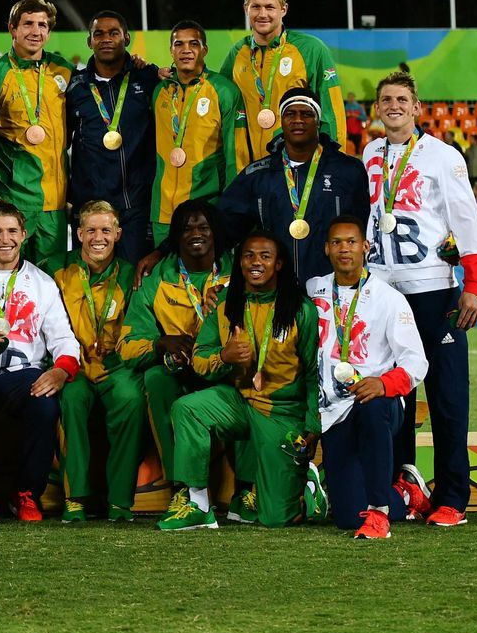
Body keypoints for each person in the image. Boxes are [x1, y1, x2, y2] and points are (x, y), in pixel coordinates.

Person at [364, 71, 477, 527]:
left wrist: (472, 286)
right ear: (377, 109)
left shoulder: (443, 156)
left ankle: (453, 496)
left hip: (435, 291)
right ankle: (407, 486)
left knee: (447, 397)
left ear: (417, 108)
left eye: (402, 99)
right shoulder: (370, 153)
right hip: (383, 291)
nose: (393, 105)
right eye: (385, 100)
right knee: (394, 394)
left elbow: (468, 223)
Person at [157, 229, 320, 531]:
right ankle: (198, 504)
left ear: (279, 264)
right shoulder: (227, 306)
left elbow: (313, 372)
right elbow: (200, 358)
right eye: (248, 255)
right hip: (239, 402)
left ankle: (306, 485)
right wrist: (225, 356)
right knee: (188, 408)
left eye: (265, 256)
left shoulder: (300, 310)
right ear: (240, 262)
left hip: (280, 412)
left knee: (275, 519)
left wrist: (313, 426)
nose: (255, 262)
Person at [0, 200, 80, 522]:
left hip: (23, 375)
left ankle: (27, 494)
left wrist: (62, 370)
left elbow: (63, 338)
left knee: (45, 403)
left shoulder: (42, 283)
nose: (4, 239)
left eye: (11, 231)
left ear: (24, 234)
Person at [308, 216, 427, 538]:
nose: (344, 249)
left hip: (375, 402)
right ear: (326, 249)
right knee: (347, 517)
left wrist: (384, 383)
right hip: (332, 410)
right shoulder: (312, 289)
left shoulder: (390, 299)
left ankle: (379, 514)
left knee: (373, 406)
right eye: (336, 242)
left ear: (365, 247)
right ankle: (402, 494)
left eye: (351, 242)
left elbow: (416, 361)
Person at [120, 199, 230, 492]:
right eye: (186, 228)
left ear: (215, 232)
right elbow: (127, 345)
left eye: (204, 227)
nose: (196, 233)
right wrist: (160, 343)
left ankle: (245, 486)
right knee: (156, 378)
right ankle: (181, 485)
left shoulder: (238, 271)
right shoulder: (157, 279)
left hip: (225, 367)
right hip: (182, 371)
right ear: (176, 238)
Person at [215, 87, 370, 285]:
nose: (298, 119)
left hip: (335, 287)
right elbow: (225, 227)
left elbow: (365, 226)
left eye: (306, 114)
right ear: (282, 121)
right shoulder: (258, 174)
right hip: (277, 289)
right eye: (290, 114)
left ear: (318, 121)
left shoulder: (348, 170)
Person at [49, 201, 143, 522]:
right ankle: (75, 497)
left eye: (105, 230)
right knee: (71, 399)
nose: (97, 237)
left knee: (131, 399)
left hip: (115, 366)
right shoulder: (56, 269)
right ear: (78, 234)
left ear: (118, 234)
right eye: (90, 230)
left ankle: (120, 501)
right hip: (73, 365)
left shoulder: (132, 275)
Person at [64, 11, 160, 261]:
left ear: (126, 38)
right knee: (90, 276)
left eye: (113, 33)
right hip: (89, 206)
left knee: (133, 275)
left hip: (135, 204)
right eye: (99, 34)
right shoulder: (76, 87)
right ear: (89, 42)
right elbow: (62, 141)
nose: (106, 38)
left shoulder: (147, 78)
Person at [221, 0, 346, 162]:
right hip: (252, 170)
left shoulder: (311, 50)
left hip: (299, 167)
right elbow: (215, 100)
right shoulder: (237, 54)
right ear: (246, 9)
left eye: (270, 7)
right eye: (256, 7)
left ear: (284, 9)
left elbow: (333, 114)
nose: (262, 14)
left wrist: (335, 164)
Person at [0, 0, 74, 264]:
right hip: (12, 200)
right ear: (12, 29)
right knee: (8, 276)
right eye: (28, 24)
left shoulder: (64, 71)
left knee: (52, 280)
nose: (36, 31)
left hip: (54, 203)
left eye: (43, 25)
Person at [151, 22, 247, 247]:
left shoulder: (224, 90)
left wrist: (230, 208)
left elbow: (235, 155)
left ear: (205, 49)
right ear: (171, 51)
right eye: (179, 44)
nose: (186, 50)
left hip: (206, 212)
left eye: (194, 44)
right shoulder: (159, 92)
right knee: (166, 277)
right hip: (163, 212)